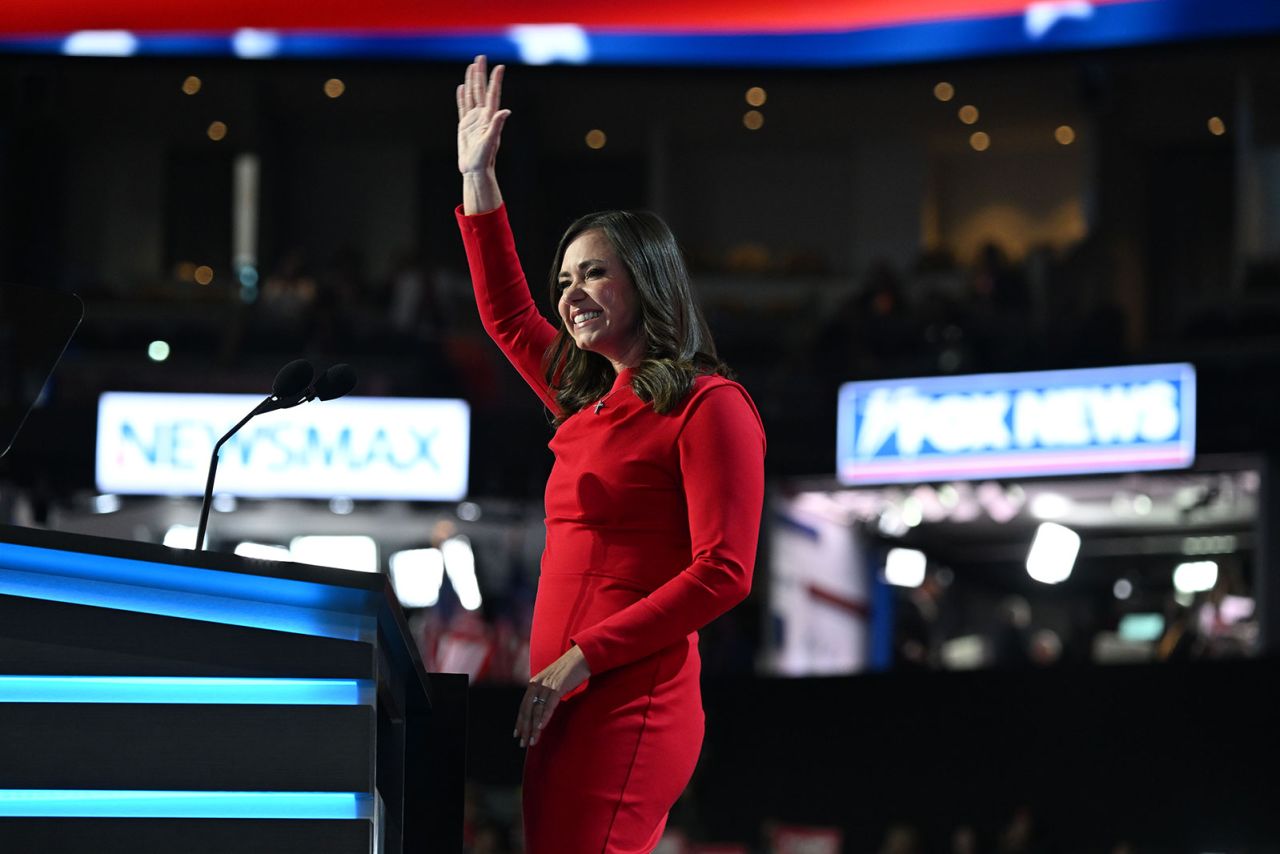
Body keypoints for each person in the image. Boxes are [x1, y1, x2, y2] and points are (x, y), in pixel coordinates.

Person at [454, 56, 767, 852]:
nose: (571, 294)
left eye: (595, 273)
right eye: (566, 278)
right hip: (559, 696)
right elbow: (505, 313)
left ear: (649, 282)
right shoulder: (585, 400)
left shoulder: (709, 404)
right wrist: (477, 177)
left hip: (630, 697)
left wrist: (583, 660)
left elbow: (724, 573)